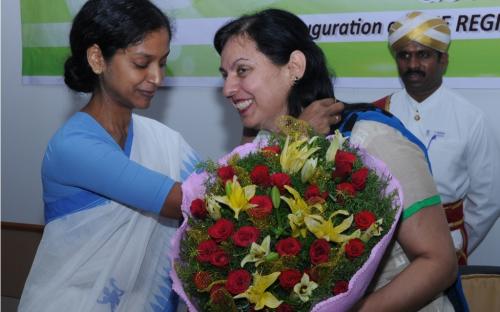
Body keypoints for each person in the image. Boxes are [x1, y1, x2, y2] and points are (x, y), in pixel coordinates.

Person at [214, 8, 458, 311]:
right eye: (225, 75)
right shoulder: (265, 146)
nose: (227, 89)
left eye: (242, 70)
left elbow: (439, 263)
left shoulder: (369, 138)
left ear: (294, 66)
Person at [19, 1, 200, 311]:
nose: (157, 77)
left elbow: (221, 188)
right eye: (142, 63)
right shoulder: (73, 147)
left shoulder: (162, 140)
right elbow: (185, 201)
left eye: (162, 63)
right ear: (97, 58)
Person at [373, 11, 499, 265]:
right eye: (404, 55)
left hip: (447, 244)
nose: (412, 65)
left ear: (443, 60)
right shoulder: (378, 113)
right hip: (384, 247)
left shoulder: (470, 118)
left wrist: (457, 245)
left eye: (423, 55)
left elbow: (488, 199)